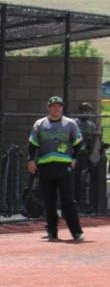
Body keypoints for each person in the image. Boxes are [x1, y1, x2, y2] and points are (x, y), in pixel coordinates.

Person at [27, 96, 84, 241]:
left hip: (64, 167)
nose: (56, 108)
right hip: (45, 166)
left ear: (62, 108)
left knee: (68, 200)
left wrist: (74, 158)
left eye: (59, 106)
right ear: (49, 108)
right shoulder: (40, 124)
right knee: (49, 201)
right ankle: (52, 231)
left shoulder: (70, 124)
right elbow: (32, 144)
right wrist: (31, 160)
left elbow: (78, 143)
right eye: (53, 106)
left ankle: (76, 232)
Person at [74, 102, 102, 212]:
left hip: (88, 156)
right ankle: (76, 203)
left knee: (88, 181)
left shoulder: (91, 125)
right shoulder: (74, 123)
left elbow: (95, 140)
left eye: (88, 111)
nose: (86, 113)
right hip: (76, 155)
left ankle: (88, 204)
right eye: (84, 111)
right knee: (76, 180)